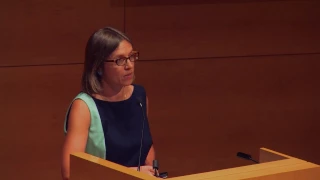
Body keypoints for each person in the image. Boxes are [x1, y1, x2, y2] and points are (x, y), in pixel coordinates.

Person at [61, 27, 156, 180]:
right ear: (98, 67)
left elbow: (145, 148)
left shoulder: (139, 96)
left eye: (131, 56)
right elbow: (70, 172)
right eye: (120, 60)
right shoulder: (84, 107)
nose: (129, 65)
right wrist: (132, 173)